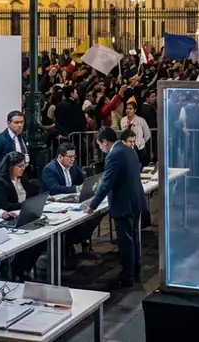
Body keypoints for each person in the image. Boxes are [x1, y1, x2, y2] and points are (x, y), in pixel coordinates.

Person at [85, 127, 146, 288]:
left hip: (124, 203)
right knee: (134, 238)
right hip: (135, 200)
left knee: (126, 241)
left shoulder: (114, 154)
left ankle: (127, 276)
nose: (100, 149)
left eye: (99, 145)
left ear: (105, 142)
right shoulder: (128, 150)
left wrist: (92, 205)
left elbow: (107, 182)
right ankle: (135, 271)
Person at [0, 151, 44, 280]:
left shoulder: (23, 179)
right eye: (19, 166)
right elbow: (3, 206)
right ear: (10, 166)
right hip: (6, 221)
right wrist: (24, 206)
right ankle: (15, 272)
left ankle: (23, 270)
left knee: (40, 241)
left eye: (24, 166)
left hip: (24, 217)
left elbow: (30, 197)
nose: (22, 169)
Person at [0, 111, 29, 177]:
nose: (20, 125)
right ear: (8, 123)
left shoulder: (23, 136)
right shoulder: (0, 139)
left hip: (22, 175)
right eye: (16, 122)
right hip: (6, 177)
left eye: (22, 122)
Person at [120, 98, 153, 166]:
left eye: (130, 109)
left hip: (140, 147)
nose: (128, 110)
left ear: (135, 110)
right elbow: (124, 134)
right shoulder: (123, 120)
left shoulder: (141, 120)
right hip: (128, 148)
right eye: (127, 109)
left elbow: (147, 134)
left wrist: (141, 141)